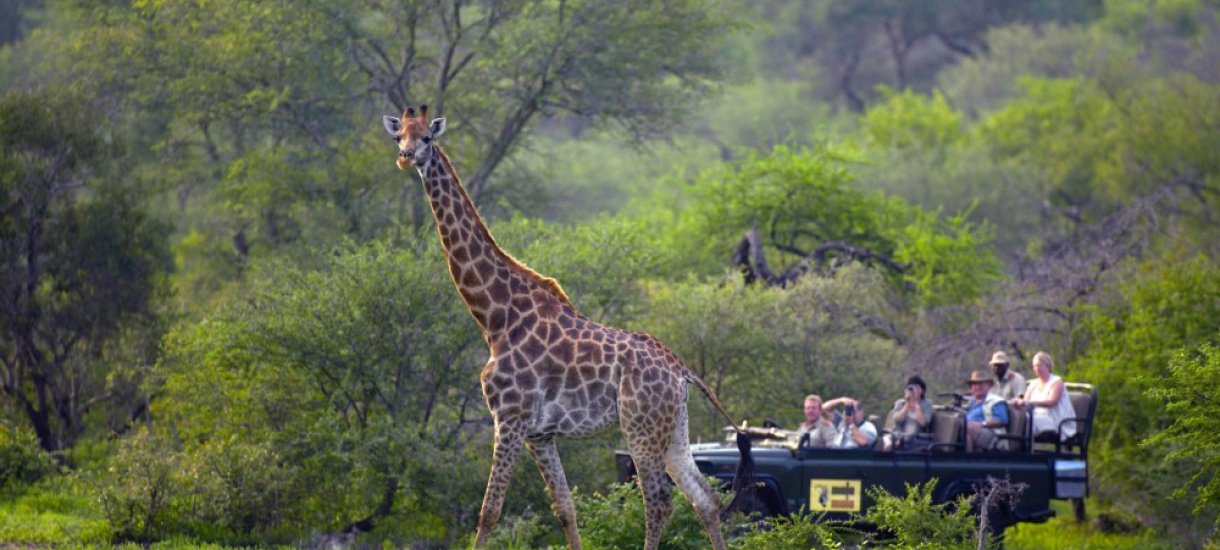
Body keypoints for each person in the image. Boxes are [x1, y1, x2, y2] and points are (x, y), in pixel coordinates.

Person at [1012, 351, 1076, 440]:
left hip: (1053, 419)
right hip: (1034, 415)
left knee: (1027, 422)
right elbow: (1025, 405)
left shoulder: (1056, 382)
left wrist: (1030, 403)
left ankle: (1024, 448)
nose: (1037, 369)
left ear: (1048, 366)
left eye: (1040, 366)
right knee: (1015, 417)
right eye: (1035, 366)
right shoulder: (1033, 384)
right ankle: (1012, 446)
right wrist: (1017, 404)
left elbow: (1051, 402)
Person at [881, 375, 934, 451]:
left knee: (909, 434)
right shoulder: (900, 403)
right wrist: (907, 404)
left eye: (916, 388)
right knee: (886, 437)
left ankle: (897, 444)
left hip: (915, 435)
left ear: (921, 391)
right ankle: (890, 447)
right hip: (898, 433)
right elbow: (896, 419)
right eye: (910, 388)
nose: (912, 390)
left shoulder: (927, 404)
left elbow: (923, 423)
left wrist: (916, 405)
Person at [964, 370, 1009, 452]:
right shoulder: (971, 402)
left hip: (992, 434)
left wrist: (982, 424)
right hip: (972, 431)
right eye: (974, 384)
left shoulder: (995, 401)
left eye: (981, 384)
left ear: (988, 386)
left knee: (965, 428)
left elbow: (1002, 420)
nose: (977, 387)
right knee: (957, 425)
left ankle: (967, 458)